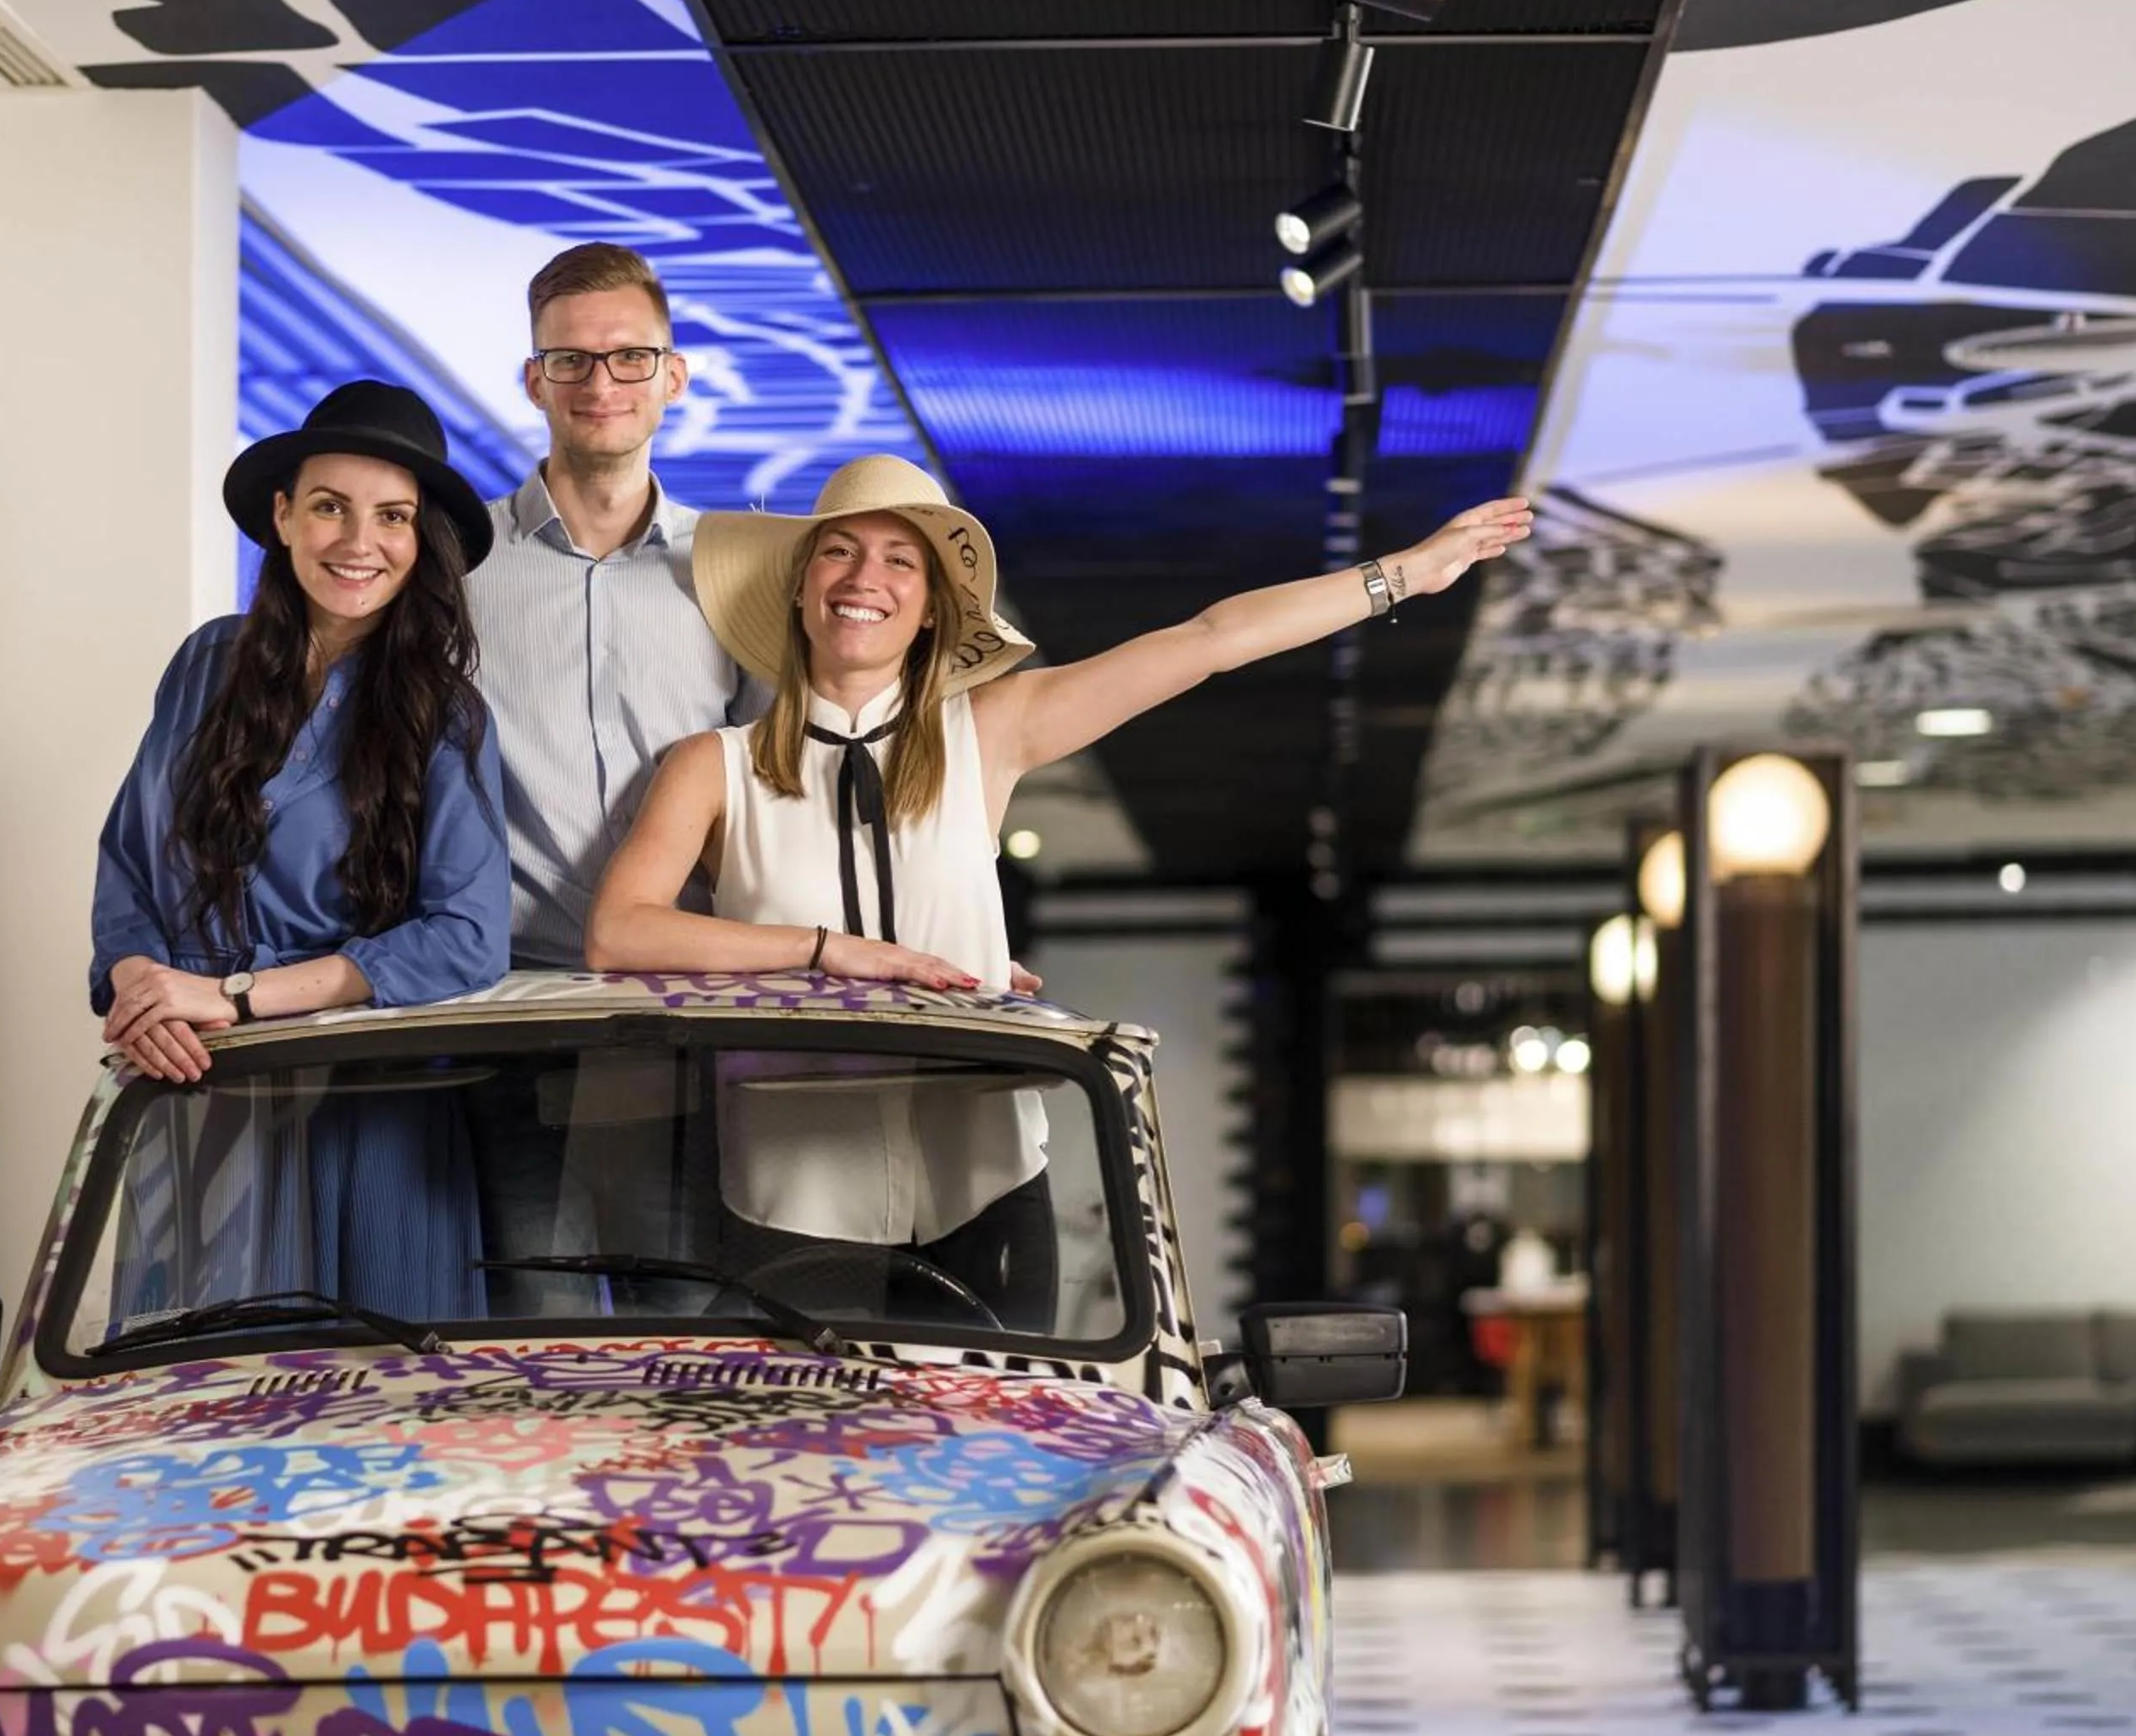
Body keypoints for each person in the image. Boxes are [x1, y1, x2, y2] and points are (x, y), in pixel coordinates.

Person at [584, 454, 1529, 1320]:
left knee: (997, 1479)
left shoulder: (988, 734)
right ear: (800, 589)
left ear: (929, 612)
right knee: (809, 1485)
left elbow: (1209, 640)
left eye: (899, 563)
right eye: (838, 552)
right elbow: (620, 934)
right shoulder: (714, 767)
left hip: (985, 1187)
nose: (864, 578)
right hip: (790, 1196)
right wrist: (828, 953)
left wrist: (1403, 573)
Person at [89, 378, 510, 1079]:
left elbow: (467, 939)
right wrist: (144, 992)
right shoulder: (205, 662)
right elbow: (129, 864)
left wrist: (235, 996)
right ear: (283, 516)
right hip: (188, 1075)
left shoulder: (446, 714)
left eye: (393, 517)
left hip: (359, 1088)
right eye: (329, 507)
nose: (358, 542)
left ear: (421, 539)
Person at [467, 242, 761, 970]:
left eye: (631, 357)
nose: (601, 383)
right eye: (570, 359)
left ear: (675, 377)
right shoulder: (455, 562)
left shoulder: (735, 568)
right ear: (535, 382)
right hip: (502, 988)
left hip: (695, 985)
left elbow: (787, 787)